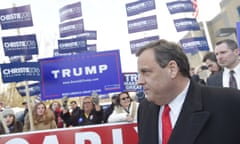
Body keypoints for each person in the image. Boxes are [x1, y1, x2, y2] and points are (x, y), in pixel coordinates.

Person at [136, 39, 240, 144]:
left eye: (145, 72)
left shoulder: (229, 102)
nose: (139, 81)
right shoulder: (145, 109)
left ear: (172, 69)